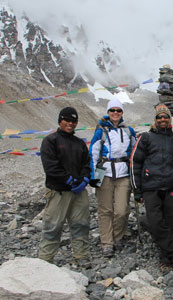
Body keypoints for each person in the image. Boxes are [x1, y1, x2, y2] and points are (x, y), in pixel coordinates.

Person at [129, 104, 173, 274]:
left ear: (169, 119)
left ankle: (166, 260)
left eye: (165, 116)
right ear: (155, 120)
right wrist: (137, 190)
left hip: (171, 187)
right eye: (159, 117)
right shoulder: (146, 138)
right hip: (151, 188)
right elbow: (135, 163)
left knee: (171, 225)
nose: (162, 119)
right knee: (155, 223)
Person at [39, 107, 92, 268]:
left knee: (81, 223)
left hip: (78, 191)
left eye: (74, 121)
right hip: (58, 191)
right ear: (60, 120)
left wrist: (84, 180)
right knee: (53, 224)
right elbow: (51, 167)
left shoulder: (79, 143)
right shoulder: (50, 141)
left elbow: (86, 164)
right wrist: (69, 180)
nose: (70, 123)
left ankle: (81, 255)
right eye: (67, 120)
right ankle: (45, 259)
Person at [90, 99, 137, 257]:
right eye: (112, 110)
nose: (115, 113)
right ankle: (107, 243)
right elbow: (93, 153)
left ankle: (117, 236)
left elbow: (135, 153)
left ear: (122, 113)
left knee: (122, 210)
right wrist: (93, 176)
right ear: (108, 112)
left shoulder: (129, 131)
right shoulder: (101, 131)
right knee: (105, 210)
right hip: (104, 172)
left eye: (118, 110)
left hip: (123, 174)